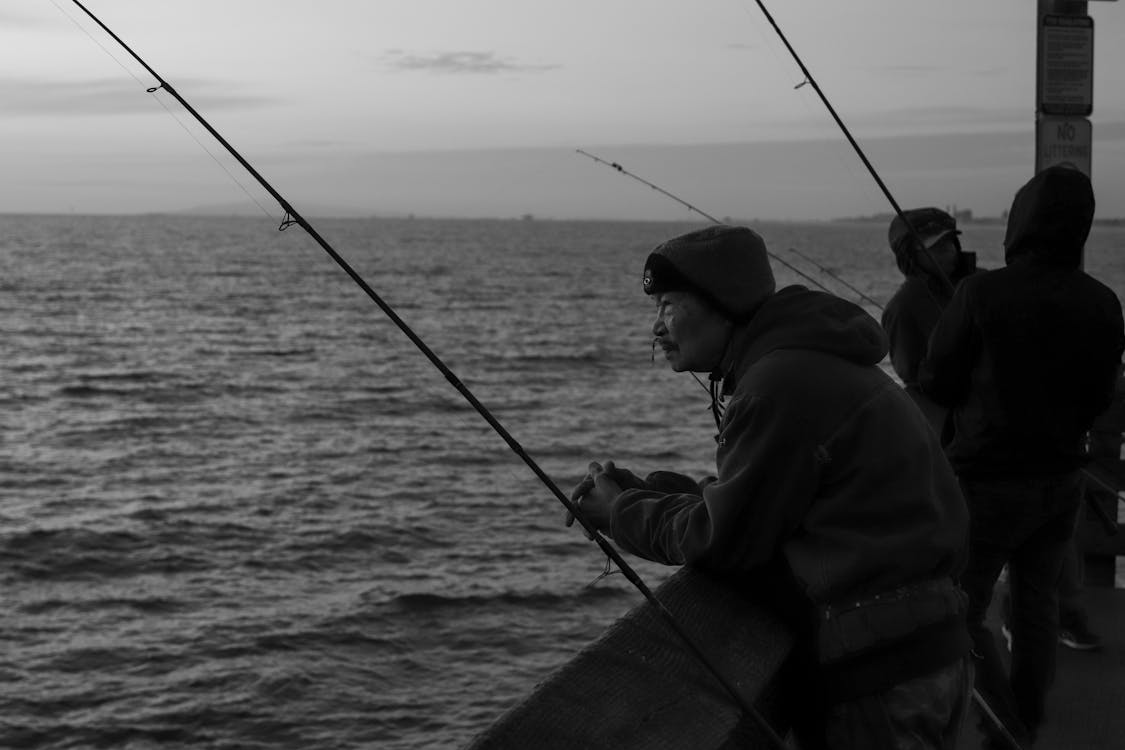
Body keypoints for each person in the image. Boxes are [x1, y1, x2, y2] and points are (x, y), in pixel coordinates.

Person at [567, 224, 972, 749]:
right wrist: (647, 493)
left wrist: (620, 513)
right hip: (922, 652)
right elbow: (775, 506)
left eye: (668, 305)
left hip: (879, 674)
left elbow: (722, 541)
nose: (657, 329)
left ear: (724, 304)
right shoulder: (808, 362)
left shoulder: (775, 385)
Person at [919, 165, 1125, 747]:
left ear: (1019, 220)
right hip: (1061, 478)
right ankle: (1026, 718)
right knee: (1036, 609)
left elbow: (936, 377)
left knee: (961, 608)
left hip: (984, 481)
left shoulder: (981, 292)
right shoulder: (1103, 302)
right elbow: (1099, 395)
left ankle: (1003, 725)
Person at [881, 207, 978, 437]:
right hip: (950, 430)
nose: (951, 252)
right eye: (937, 248)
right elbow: (912, 375)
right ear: (911, 255)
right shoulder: (902, 307)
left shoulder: (978, 286)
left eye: (951, 243)